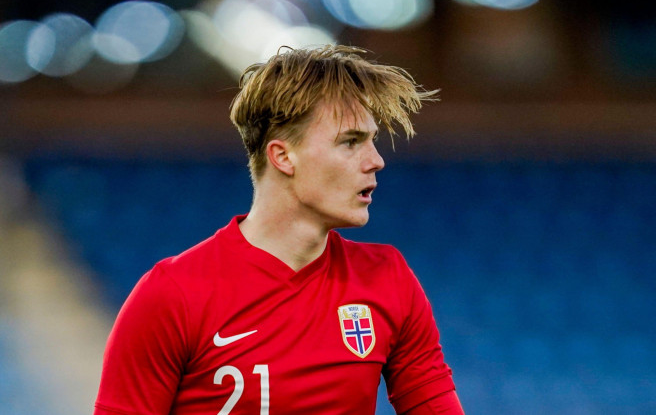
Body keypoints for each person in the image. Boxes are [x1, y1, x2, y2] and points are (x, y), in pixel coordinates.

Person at [94, 45, 463, 415]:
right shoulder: (172, 294)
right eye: (351, 142)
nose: (376, 161)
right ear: (283, 156)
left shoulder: (387, 278)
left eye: (372, 141)